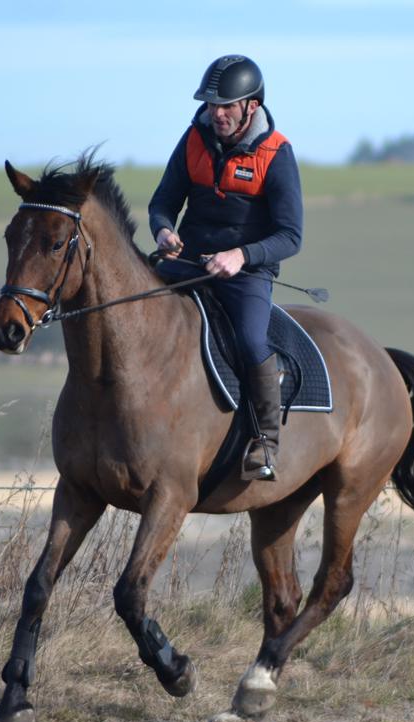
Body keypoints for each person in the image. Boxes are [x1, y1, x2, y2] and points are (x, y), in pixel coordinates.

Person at [149, 55, 303, 481]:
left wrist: (241, 256)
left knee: (253, 341)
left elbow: (291, 236)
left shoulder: (277, 153)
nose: (216, 113)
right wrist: (163, 231)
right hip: (186, 261)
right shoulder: (193, 137)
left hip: (246, 274)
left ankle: (266, 442)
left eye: (226, 106)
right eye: (212, 104)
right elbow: (163, 202)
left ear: (251, 106)